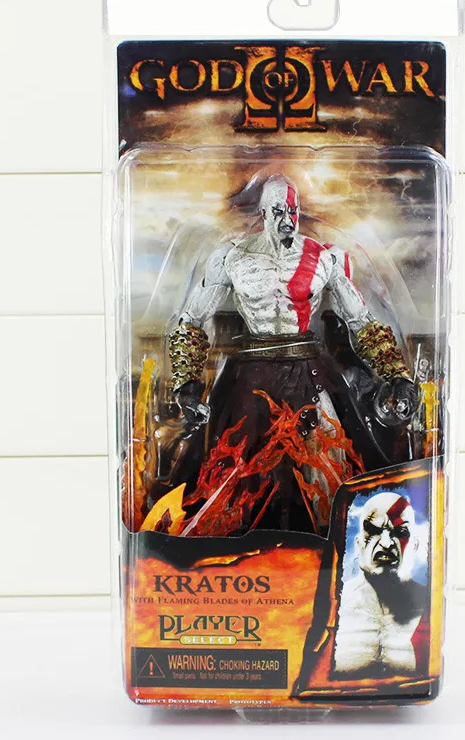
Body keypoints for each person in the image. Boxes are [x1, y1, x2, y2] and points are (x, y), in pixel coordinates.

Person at [168, 174, 418, 535]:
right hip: (252, 371)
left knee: (327, 458)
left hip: (308, 369)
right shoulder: (233, 257)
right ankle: (238, 541)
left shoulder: (324, 258)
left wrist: (396, 374)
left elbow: (360, 320)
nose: (287, 219)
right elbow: (192, 319)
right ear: (263, 213)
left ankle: (332, 536)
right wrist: (187, 384)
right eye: (278, 211)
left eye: (292, 211)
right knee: (241, 464)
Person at [333, 491, 429, 678]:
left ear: (415, 545)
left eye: (400, 533)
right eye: (374, 532)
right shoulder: (331, 604)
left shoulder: (433, 605)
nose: (386, 544)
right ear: (358, 543)